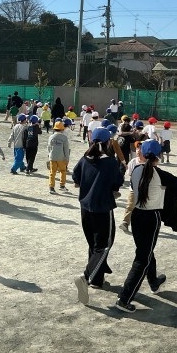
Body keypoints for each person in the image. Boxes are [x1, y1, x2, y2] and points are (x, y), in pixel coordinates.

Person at [115, 140, 174, 313]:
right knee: (143, 258)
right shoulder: (160, 173)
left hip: (137, 215)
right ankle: (124, 299)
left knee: (145, 250)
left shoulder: (136, 169)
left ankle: (153, 281)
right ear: (158, 155)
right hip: (151, 217)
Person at [72, 128, 123, 304]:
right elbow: (117, 182)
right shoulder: (109, 162)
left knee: (94, 245)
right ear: (108, 143)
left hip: (85, 208)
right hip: (102, 208)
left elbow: (76, 178)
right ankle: (85, 277)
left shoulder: (84, 158)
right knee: (104, 245)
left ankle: (97, 279)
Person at [119, 141, 146, 234]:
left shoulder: (149, 163)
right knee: (130, 206)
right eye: (137, 148)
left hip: (145, 189)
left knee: (143, 207)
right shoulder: (133, 162)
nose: (138, 150)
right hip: (133, 189)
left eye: (141, 149)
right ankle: (125, 222)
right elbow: (130, 174)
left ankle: (142, 225)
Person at [48, 121, 70, 194]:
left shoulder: (51, 137)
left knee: (52, 172)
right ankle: (62, 185)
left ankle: (51, 187)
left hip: (52, 157)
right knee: (63, 171)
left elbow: (49, 147)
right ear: (62, 129)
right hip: (61, 157)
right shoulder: (64, 137)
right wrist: (67, 159)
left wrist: (49, 155)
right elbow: (66, 149)